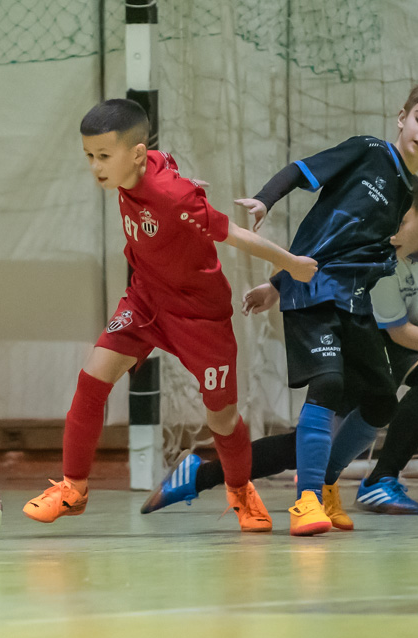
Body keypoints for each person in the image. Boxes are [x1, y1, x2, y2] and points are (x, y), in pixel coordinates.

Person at [140, 175, 418, 523]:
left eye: (399, 222)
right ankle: (374, 481)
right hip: (364, 336)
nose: (390, 234)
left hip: (386, 342)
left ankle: (201, 474)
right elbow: (398, 331)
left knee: (310, 445)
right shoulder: (383, 255)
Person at [22, 98, 318, 533]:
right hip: (145, 300)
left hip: (200, 317)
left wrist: (290, 264)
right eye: (89, 156)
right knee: (92, 380)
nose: (96, 167)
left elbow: (234, 234)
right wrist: (185, 179)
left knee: (221, 418)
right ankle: (73, 489)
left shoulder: (172, 197)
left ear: (135, 154)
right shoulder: (139, 169)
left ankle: (241, 491)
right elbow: (166, 160)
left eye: (103, 156)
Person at [227, 78, 418, 536]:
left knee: (381, 401)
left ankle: (328, 484)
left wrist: (273, 285)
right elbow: (301, 170)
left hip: (353, 302)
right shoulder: (368, 150)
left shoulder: (406, 192)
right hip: (313, 291)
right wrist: (265, 199)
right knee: (329, 384)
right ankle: (306, 500)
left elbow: (340, 246)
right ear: (403, 118)